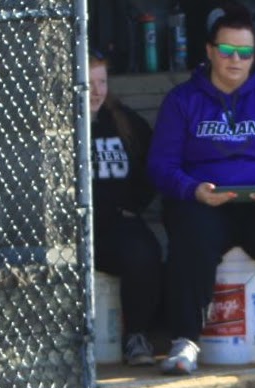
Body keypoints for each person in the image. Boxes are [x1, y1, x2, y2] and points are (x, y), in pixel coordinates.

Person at [147, 2, 255, 381]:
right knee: (190, 232)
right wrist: (192, 189)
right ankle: (185, 341)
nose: (235, 60)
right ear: (210, 51)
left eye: (245, 52)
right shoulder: (182, 101)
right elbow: (161, 166)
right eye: (227, 50)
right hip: (205, 203)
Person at [89, 51, 165, 366]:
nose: (96, 91)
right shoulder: (61, 125)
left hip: (119, 226)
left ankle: (136, 335)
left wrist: (132, 206)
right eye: (87, 82)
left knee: (144, 251)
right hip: (80, 228)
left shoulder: (123, 120)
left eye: (102, 81)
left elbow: (154, 165)